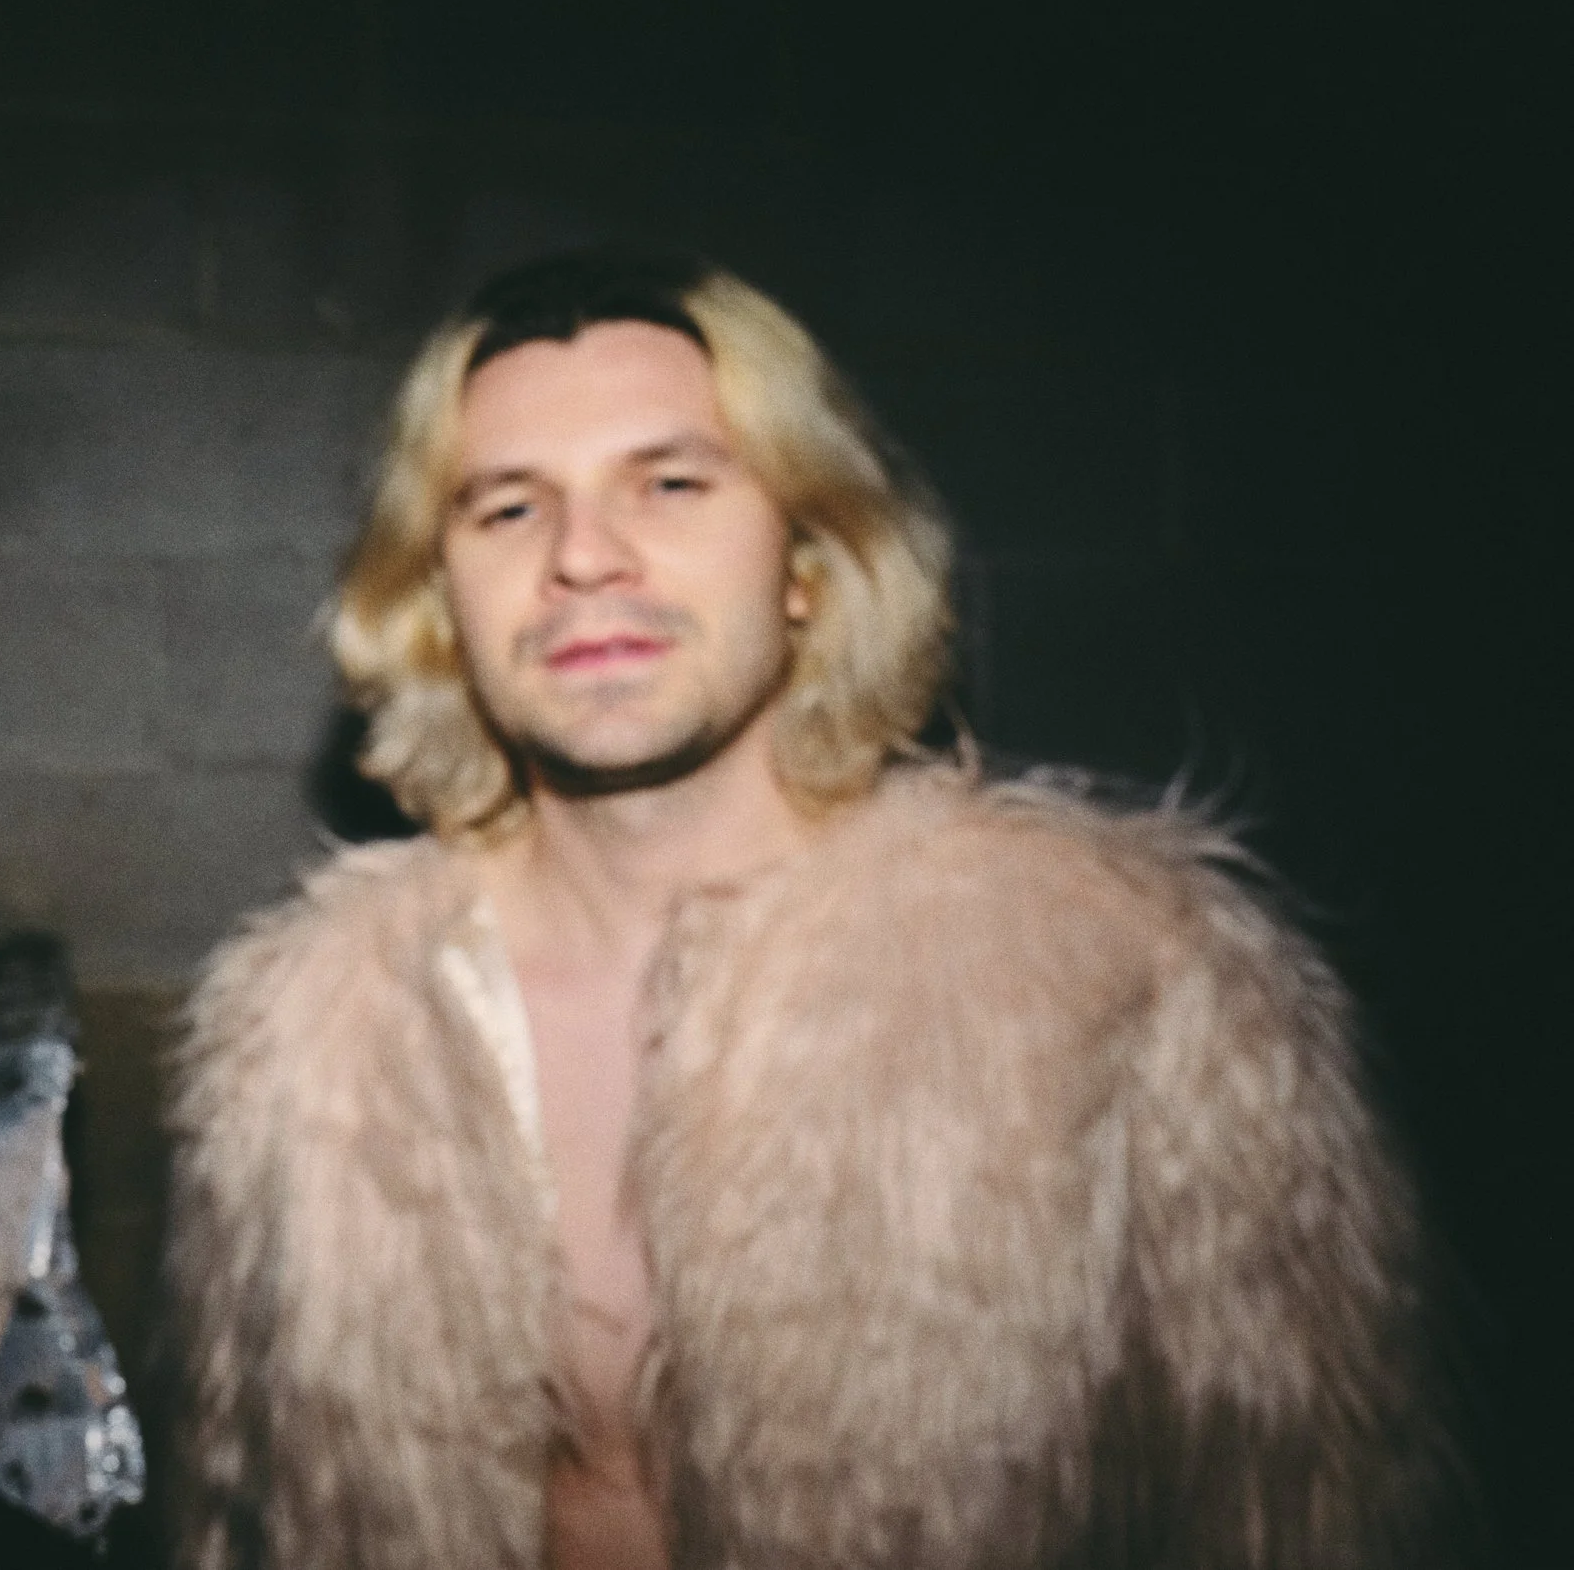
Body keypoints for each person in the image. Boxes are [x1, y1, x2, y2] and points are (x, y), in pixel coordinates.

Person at [162, 248, 1454, 1570]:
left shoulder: (1130, 980)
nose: (583, 558)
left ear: (808, 559)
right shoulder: (306, 1031)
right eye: (506, 510)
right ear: (441, 599)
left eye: (669, 484)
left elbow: (1317, 1514)